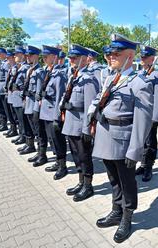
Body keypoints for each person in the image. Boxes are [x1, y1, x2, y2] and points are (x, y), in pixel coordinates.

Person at [88, 33, 153, 243]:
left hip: (124, 141)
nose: (111, 56)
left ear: (130, 55)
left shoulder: (139, 83)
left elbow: (143, 121)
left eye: (117, 53)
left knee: (127, 182)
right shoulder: (110, 77)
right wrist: (93, 112)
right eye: (110, 53)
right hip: (107, 136)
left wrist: (135, 150)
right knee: (113, 179)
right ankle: (116, 210)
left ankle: (127, 216)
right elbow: (99, 99)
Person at [60, 44, 99, 202]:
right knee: (76, 155)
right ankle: (80, 181)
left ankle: (88, 186)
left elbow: (90, 106)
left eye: (74, 57)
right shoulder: (73, 76)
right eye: (70, 57)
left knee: (84, 156)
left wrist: (87, 129)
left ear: (84, 58)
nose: (71, 60)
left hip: (80, 124)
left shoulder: (88, 79)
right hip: (70, 122)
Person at [135, 45, 158, 182]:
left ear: (152, 58)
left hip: (149, 116)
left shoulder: (157, 75)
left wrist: (155, 118)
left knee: (150, 143)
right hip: (139, 114)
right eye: (141, 56)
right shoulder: (140, 73)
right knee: (141, 142)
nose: (142, 59)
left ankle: (148, 167)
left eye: (145, 56)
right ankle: (142, 164)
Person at [38, 45, 68, 178]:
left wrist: (57, 117)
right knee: (51, 139)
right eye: (43, 57)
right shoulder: (48, 72)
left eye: (46, 56)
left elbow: (59, 98)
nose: (44, 59)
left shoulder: (59, 75)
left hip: (52, 113)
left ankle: (63, 166)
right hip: (45, 111)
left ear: (55, 57)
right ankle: (57, 161)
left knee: (58, 140)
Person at [19, 45, 45, 155]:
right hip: (28, 104)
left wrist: (36, 109)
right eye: (27, 56)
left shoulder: (39, 71)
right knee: (33, 129)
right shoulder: (30, 70)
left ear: (36, 56)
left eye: (30, 56)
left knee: (39, 132)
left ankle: (41, 154)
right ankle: (34, 148)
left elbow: (39, 93)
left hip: (34, 105)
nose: (27, 57)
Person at [11, 46, 30, 146]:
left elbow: (26, 83)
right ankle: (22, 136)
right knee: (19, 119)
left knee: (23, 120)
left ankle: (27, 141)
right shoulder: (18, 67)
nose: (15, 56)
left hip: (21, 96)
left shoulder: (26, 68)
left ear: (22, 55)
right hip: (16, 95)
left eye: (17, 54)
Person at [0, 48, 10, 132]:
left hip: (3, 88)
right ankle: (3, 123)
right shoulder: (1, 64)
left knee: (5, 108)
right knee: (0, 107)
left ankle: (6, 125)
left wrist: (5, 88)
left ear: (4, 54)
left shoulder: (6, 64)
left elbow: (7, 78)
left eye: (0, 54)